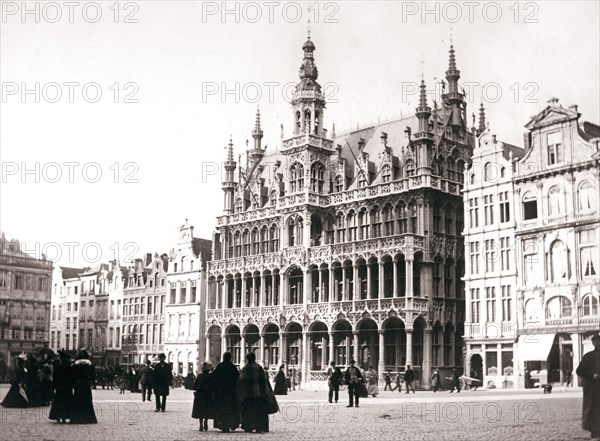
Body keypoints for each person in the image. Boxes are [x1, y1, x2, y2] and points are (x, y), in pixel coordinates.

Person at [237, 352, 271, 433]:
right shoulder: (259, 368)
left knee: (248, 411)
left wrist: (241, 394)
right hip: (259, 394)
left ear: (247, 359)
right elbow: (264, 381)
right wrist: (267, 393)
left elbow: (240, 382)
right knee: (258, 411)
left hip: (248, 394)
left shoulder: (244, 368)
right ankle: (259, 426)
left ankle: (248, 426)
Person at [576, 334, 600, 440]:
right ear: (593, 343)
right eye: (596, 342)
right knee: (592, 410)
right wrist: (592, 375)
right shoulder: (588, 356)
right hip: (592, 389)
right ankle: (594, 432)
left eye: (599, 342)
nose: (598, 344)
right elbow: (579, 370)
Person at [212, 352, 240, 432]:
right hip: (231, 390)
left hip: (221, 390)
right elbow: (237, 377)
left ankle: (222, 424)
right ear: (230, 358)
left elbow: (214, 376)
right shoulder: (233, 367)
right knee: (230, 408)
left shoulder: (220, 366)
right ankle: (231, 424)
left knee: (221, 408)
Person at [70, 350, 97, 424]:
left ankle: (76, 418)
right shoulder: (90, 366)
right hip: (86, 384)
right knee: (87, 401)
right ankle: (88, 418)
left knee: (77, 401)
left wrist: (73, 383)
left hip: (78, 385)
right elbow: (92, 377)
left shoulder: (75, 366)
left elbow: (72, 376)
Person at [49, 351, 73, 423]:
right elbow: (72, 377)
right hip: (67, 387)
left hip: (60, 387)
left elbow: (55, 377)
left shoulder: (58, 367)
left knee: (59, 402)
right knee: (67, 402)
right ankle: (65, 416)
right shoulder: (69, 367)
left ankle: (58, 415)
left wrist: (54, 386)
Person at [192, 362, 216, 432]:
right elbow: (213, 385)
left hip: (200, 395)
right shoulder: (210, 376)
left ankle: (200, 425)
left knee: (200, 410)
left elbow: (194, 386)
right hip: (208, 395)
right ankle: (206, 421)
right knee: (206, 409)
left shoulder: (199, 376)